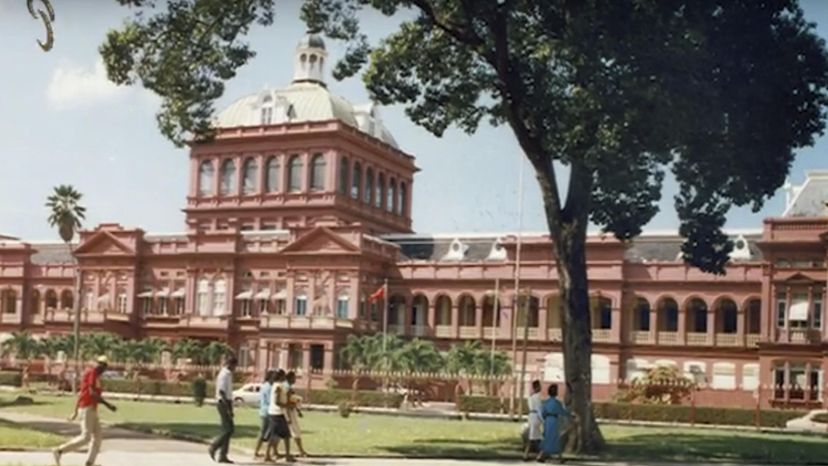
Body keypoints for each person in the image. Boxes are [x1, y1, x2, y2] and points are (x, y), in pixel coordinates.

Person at [52, 356, 117, 466]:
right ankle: (59, 451)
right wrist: (108, 405)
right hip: (87, 408)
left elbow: (82, 393)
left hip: (91, 408)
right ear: (99, 365)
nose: (104, 369)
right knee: (86, 437)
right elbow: (91, 393)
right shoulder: (92, 373)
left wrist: (76, 411)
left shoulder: (95, 376)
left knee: (97, 437)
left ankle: (89, 462)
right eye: (103, 366)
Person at [209, 355, 237, 464]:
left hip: (227, 402)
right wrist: (227, 407)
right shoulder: (224, 375)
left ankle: (223, 455)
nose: (235, 368)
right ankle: (214, 446)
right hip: (223, 402)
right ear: (230, 364)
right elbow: (222, 392)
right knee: (229, 429)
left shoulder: (229, 375)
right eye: (234, 366)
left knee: (227, 429)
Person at [537, 384, 570, 464]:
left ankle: (541, 455)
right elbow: (562, 412)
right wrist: (570, 414)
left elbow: (542, 412)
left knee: (546, 437)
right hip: (554, 420)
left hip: (547, 420)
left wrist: (545, 419)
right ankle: (559, 457)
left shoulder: (546, 402)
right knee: (554, 438)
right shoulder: (557, 403)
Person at [266, 369, 294, 462]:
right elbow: (277, 401)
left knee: (281, 435)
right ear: (280, 376)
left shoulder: (277, 386)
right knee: (278, 435)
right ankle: (269, 455)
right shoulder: (278, 386)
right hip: (276, 413)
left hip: (277, 413)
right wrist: (287, 405)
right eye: (283, 376)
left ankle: (285, 455)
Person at [253, 370, 276, 461]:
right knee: (270, 433)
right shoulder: (270, 387)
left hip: (263, 411)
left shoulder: (264, 386)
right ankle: (267, 454)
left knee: (263, 433)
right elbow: (271, 400)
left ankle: (257, 452)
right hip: (269, 412)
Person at [285, 371, 308, 457]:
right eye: (294, 377)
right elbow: (287, 401)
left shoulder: (288, 387)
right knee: (295, 431)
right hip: (289, 412)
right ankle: (301, 450)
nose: (295, 379)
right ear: (290, 378)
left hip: (291, 411)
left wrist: (298, 410)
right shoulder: (287, 388)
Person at [524, 380, 543, 461]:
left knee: (537, 437)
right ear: (538, 387)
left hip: (531, 416)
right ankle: (526, 454)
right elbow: (539, 409)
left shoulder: (530, 397)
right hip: (536, 417)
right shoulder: (538, 397)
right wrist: (542, 419)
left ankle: (539, 454)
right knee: (533, 438)